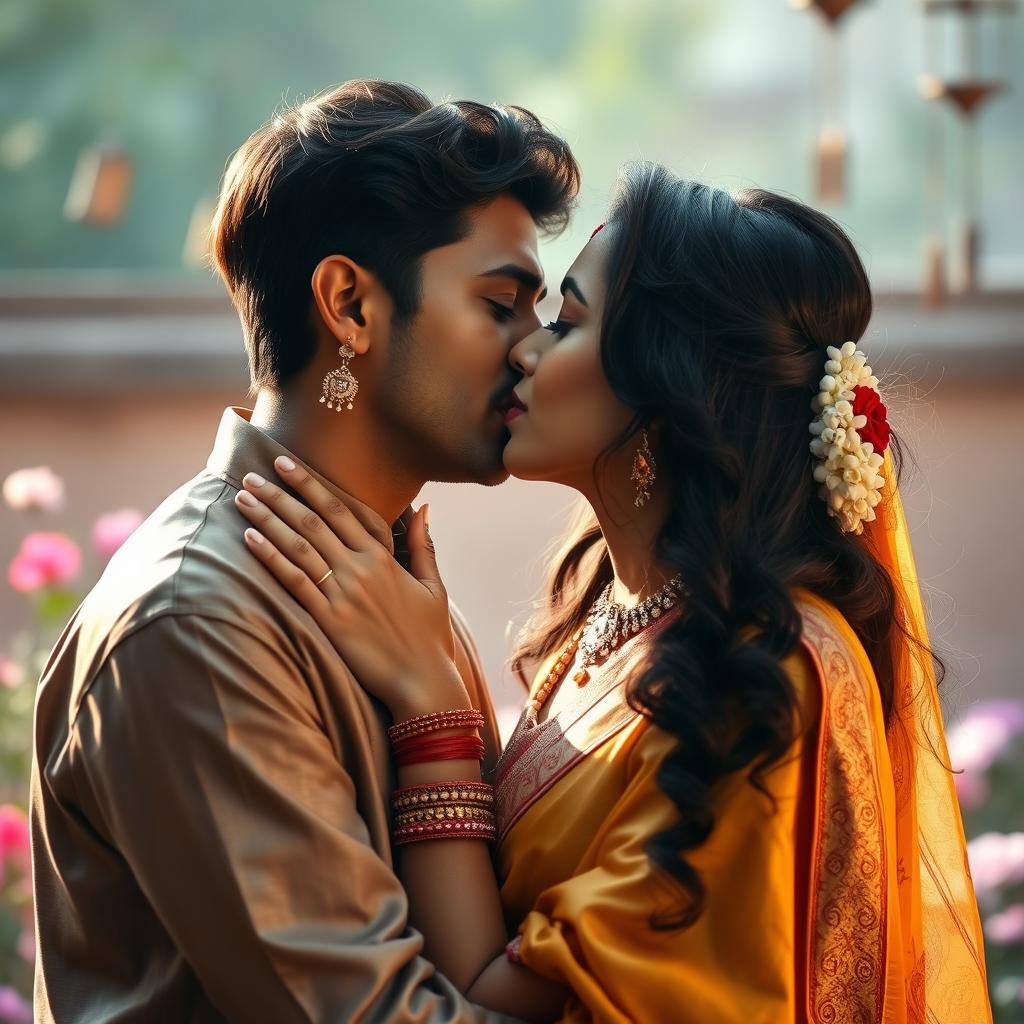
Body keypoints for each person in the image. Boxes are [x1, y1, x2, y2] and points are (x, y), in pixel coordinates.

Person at [236, 164, 993, 1023]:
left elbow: (494, 1002)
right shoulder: (610, 622)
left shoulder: (769, 678)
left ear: (667, 386)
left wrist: (431, 711)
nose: (523, 347)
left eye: (566, 322)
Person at [30, 79, 578, 1022]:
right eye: (501, 305)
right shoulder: (197, 622)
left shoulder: (380, 572)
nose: (535, 351)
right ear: (349, 305)